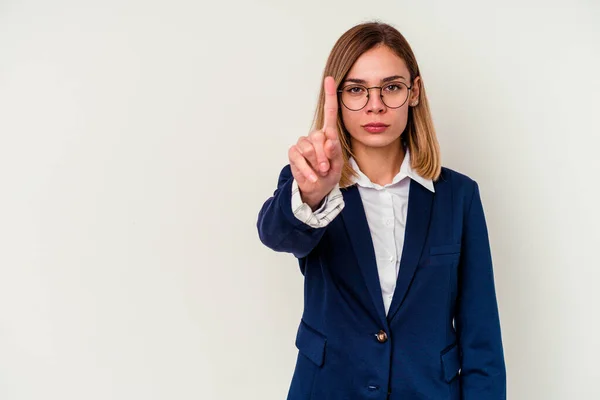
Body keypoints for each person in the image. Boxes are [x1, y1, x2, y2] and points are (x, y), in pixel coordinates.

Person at [256, 21, 506, 400]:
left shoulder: (459, 196)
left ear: (414, 92)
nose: (375, 105)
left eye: (391, 87)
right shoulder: (312, 186)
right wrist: (312, 195)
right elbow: (276, 234)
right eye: (356, 90)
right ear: (337, 98)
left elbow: (480, 335)